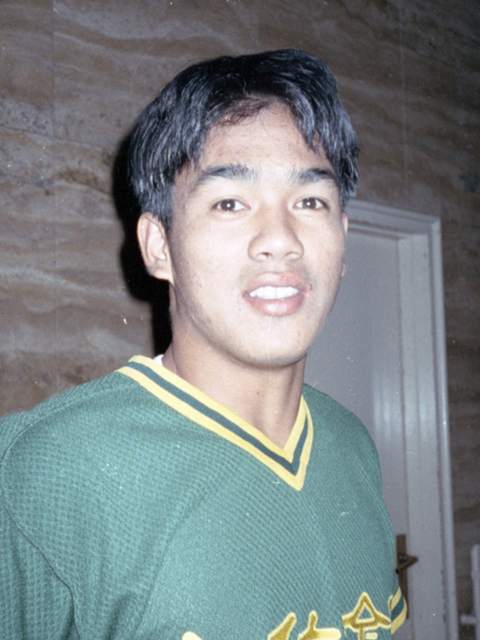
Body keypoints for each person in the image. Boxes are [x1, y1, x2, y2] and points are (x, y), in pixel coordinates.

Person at [0, 49, 407, 639]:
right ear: (159, 246)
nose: (280, 240)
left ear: (342, 239)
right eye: (230, 203)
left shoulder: (351, 445)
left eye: (310, 201)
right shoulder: (43, 471)